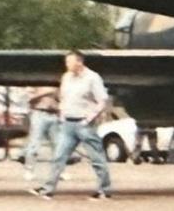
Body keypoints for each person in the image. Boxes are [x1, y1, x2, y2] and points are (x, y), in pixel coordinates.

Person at [32, 51, 114, 200]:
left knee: (96, 158)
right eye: (66, 62)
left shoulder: (92, 78)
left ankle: (104, 189)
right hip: (68, 123)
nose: (67, 65)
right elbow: (63, 97)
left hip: (85, 124)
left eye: (70, 62)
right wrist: (62, 114)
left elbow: (102, 100)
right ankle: (48, 189)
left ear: (79, 62)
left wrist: (89, 118)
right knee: (58, 156)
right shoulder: (66, 77)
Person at [22, 86, 60, 180]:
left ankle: (58, 172)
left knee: (57, 144)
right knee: (34, 143)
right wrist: (46, 92)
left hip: (54, 114)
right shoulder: (36, 84)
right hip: (39, 113)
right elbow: (29, 99)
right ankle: (29, 170)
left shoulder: (57, 83)